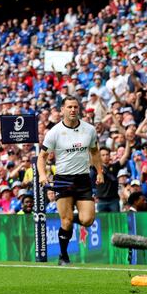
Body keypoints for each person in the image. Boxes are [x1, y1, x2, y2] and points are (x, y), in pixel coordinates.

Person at [38, 96, 103, 266]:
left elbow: (95, 152)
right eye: (69, 107)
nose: (73, 110)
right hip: (63, 180)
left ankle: (67, 216)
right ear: (62, 110)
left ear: (79, 109)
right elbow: (42, 157)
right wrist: (43, 175)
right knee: (66, 222)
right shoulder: (54, 132)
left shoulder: (89, 130)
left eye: (75, 107)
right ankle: (63, 255)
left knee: (88, 220)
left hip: (83, 180)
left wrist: (100, 172)